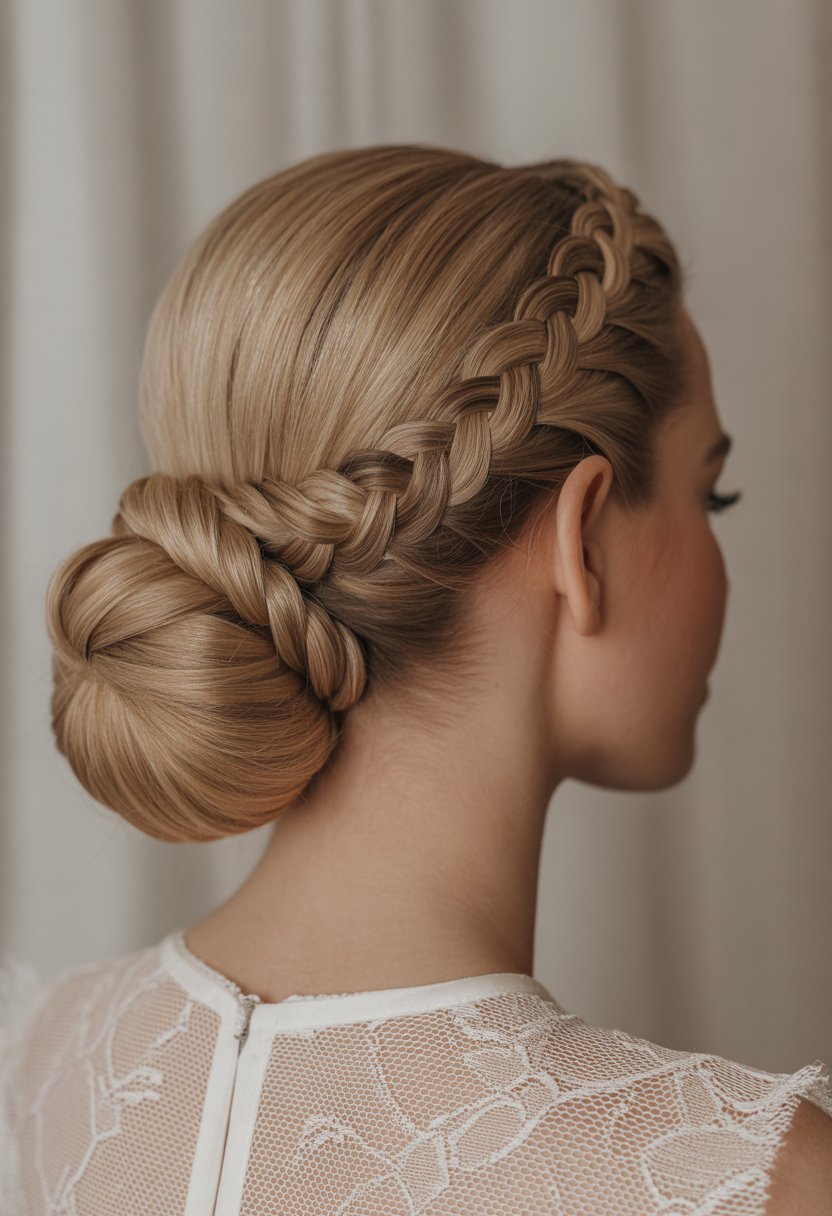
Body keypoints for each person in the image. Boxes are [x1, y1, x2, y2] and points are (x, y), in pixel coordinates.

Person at [1, 144, 830, 1214]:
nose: (720, 560)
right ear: (580, 544)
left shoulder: (28, 1068)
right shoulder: (748, 1180)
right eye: (708, 496)